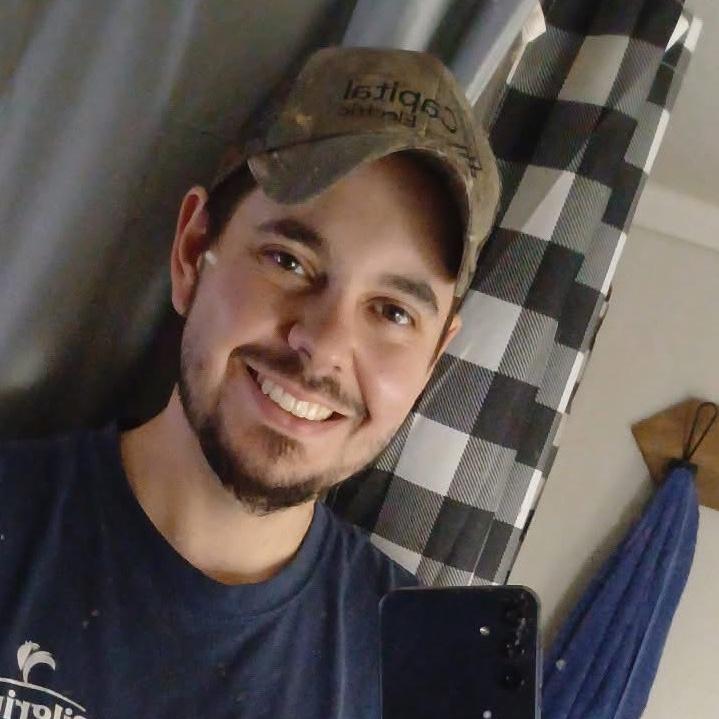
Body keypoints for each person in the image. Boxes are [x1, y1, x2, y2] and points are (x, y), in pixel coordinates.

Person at [0, 46, 499, 718]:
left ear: (432, 359)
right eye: (288, 261)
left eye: (392, 312)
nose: (324, 347)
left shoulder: (433, 675)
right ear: (191, 253)